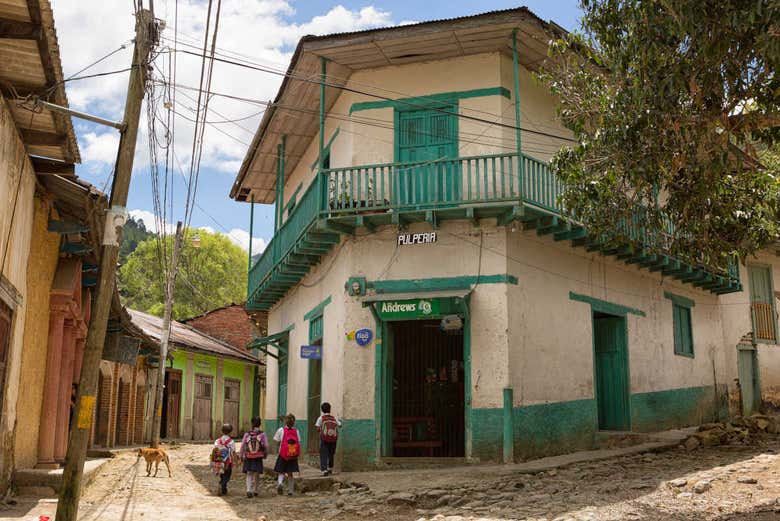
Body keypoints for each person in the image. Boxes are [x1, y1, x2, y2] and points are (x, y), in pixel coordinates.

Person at [273, 413, 300, 496]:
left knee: (281, 471)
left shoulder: (281, 430)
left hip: (283, 454)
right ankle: (290, 491)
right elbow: (298, 443)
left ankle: (280, 483)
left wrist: (278, 448)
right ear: (294, 422)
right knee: (290, 473)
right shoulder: (296, 431)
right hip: (292, 455)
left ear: (285, 421)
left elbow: (276, 441)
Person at [240, 417, 267, 498]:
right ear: (260, 424)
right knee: (257, 473)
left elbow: (243, 445)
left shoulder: (247, 434)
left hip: (249, 456)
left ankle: (248, 490)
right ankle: (256, 490)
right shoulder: (262, 434)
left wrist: (241, 455)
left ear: (252, 423)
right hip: (258, 456)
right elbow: (266, 445)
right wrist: (265, 454)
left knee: (249, 473)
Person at [315, 402, 342, 476]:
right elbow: (340, 425)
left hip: (324, 439)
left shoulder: (321, 418)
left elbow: (317, 428)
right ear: (330, 409)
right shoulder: (333, 418)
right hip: (333, 439)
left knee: (323, 453)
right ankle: (330, 468)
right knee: (331, 454)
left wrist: (321, 431)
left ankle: (324, 470)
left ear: (322, 410)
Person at [213, 423, 237, 496]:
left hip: (219, 460)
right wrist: (235, 461)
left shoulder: (217, 441)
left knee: (222, 474)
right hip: (227, 462)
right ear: (230, 432)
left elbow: (215, 449)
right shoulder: (231, 442)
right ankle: (221, 484)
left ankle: (224, 489)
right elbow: (233, 452)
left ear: (221, 431)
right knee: (227, 475)